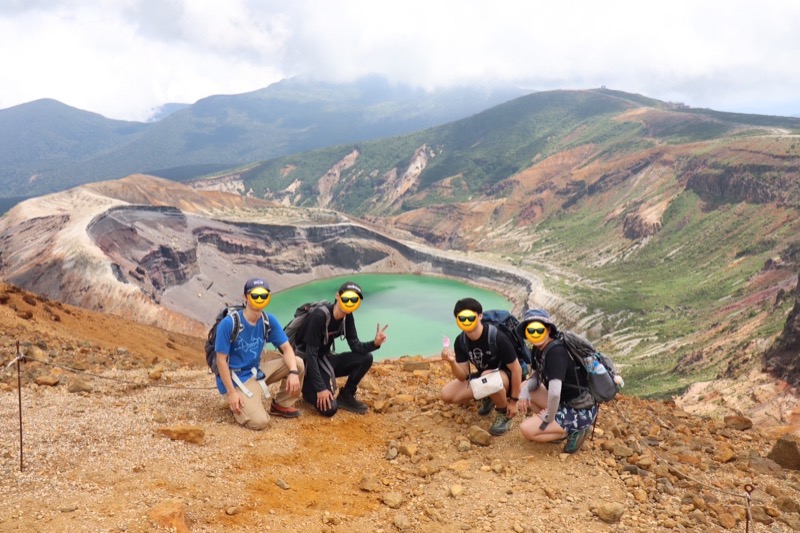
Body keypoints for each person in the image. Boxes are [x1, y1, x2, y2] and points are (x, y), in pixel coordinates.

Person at [214, 277, 305, 430]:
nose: (260, 299)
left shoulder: (268, 321)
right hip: (236, 380)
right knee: (260, 422)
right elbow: (221, 361)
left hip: (257, 372)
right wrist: (231, 393)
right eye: (255, 295)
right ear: (245, 297)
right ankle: (239, 401)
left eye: (264, 295)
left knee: (298, 363)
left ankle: (281, 405)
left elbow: (287, 349)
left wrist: (294, 373)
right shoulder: (229, 324)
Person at [296, 281, 388, 416]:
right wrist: (321, 388)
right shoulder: (319, 317)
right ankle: (308, 389)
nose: (350, 302)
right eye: (346, 298)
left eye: (354, 300)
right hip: (309, 365)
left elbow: (355, 346)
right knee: (329, 409)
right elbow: (311, 354)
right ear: (337, 296)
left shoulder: (347, 316)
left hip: (326, 360)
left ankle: (346, 396)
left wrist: (375, 343)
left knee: (366, 358)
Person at [517, 308, 597, 453]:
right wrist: (524, 392)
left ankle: (571, 431)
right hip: (563, 402)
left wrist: (548, 417)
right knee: (525, 386)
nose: (535, 334)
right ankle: (556, 425)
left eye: (539, 330)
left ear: (548, 330)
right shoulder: (538, 349)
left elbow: (554, 393)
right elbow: (536, 376)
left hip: (579, 409)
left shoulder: (556, 352)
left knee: (526, 430)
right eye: (531, 331)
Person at [440, 298, 523, 436]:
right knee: (447, 395)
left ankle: (503, 414)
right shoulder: (461, 341)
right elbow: (463, 377)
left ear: (480, 316)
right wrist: (452, 362)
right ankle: (489, 396)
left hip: (506, 376)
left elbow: (516, 369)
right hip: (485, 376)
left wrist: (514, 401)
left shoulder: (496, 336)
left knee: (487, 378)